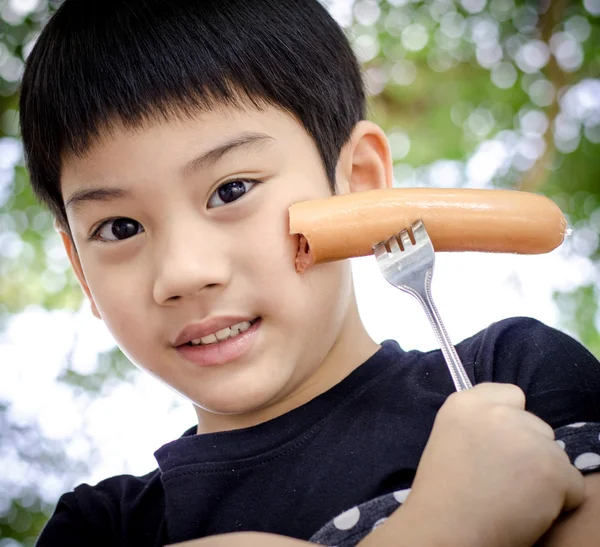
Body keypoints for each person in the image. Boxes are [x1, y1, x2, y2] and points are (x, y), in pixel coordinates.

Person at [18, 1, 600, 546]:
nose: (183, 273)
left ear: (359, 182)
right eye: (120, 228)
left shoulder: (513, 373)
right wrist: (438, 526)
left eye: (231, 190)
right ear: (81, 270)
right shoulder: (105, 528)